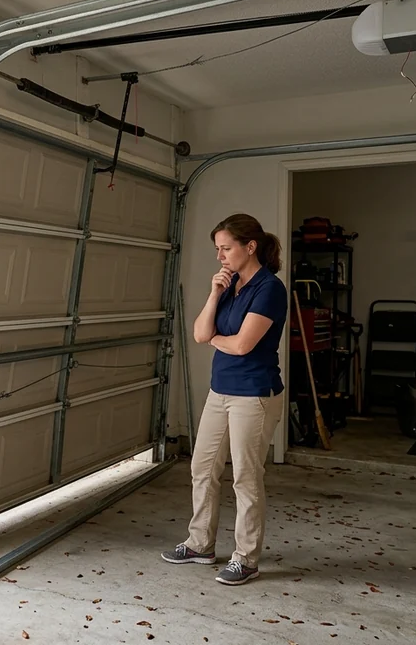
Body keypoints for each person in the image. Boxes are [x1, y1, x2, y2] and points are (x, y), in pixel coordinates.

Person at [161, 213, 288, 586]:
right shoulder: (230, 285)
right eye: (217, 249)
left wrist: (215, 339)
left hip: (255, 394)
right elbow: (199, 331)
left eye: (226, 248)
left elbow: (243, 344)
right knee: (202, 468)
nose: (220, 256)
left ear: (250, 247)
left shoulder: (269, 288)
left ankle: (246, 559)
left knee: (246, 477)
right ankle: (200, 544)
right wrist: (215, 293)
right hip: (221, 390)